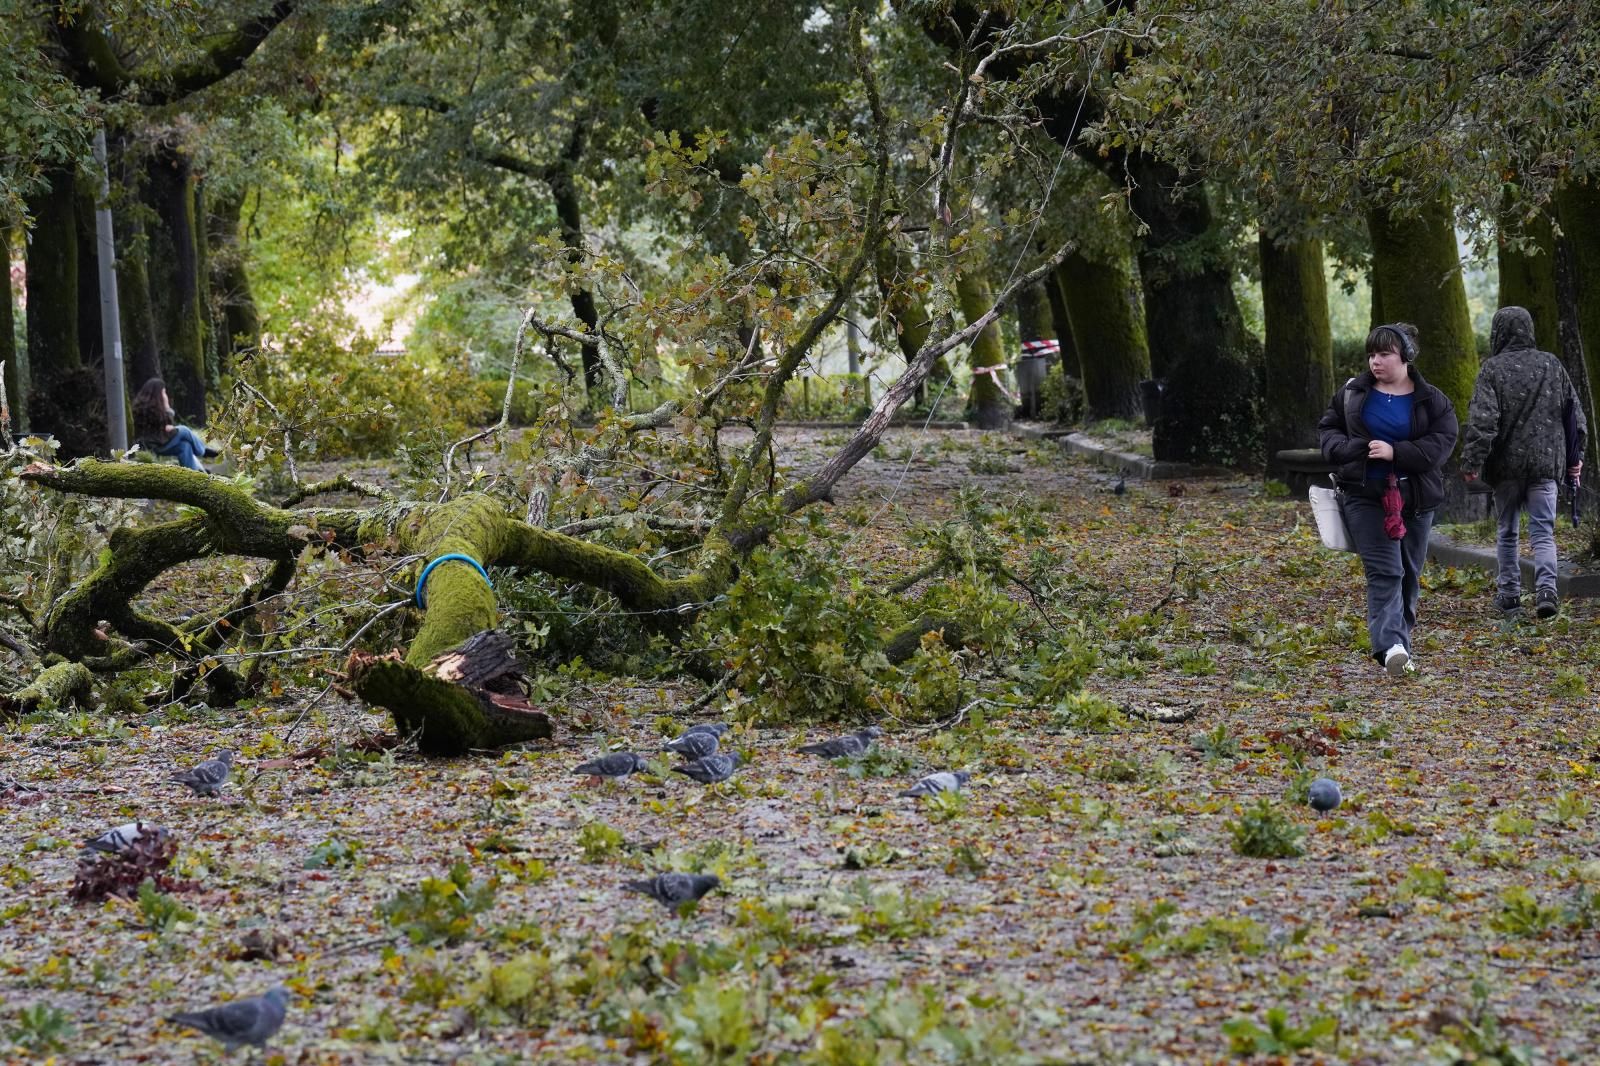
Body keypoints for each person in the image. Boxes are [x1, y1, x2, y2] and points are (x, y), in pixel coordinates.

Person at [1318, 323, 1459, 676]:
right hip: (1364, 496)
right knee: (1385, 570)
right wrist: (1351, 449)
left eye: (1384, 354)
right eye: (1371, 354)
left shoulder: (1433, 400)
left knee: (1410, 575)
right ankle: (1390, 647)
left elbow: (1440, 445)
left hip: (1416, 499)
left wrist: (1396, 451)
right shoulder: (1352, 393)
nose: (1375, 362)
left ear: (1406, 357)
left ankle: (1400, 645)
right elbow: (1328, 430)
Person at [1460, 306, 1586, 620]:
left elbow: (1482, 422)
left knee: (1507, 531)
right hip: (1545, 466)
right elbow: (1574, 417)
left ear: (1497, 332)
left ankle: (1509, 596)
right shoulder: (1552, 365)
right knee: (1544, 532)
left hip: (1505, 470)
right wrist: (1575, 459)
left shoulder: (1492, 369)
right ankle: (1547, 591)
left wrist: (1472, 461)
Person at [130, 378, 219, 472]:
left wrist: (166, 426)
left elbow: (160, 427)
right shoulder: (148, 410)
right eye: (164, 392)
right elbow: (157, 431)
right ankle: (203, 451)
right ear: (158, 394)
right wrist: (168, 409)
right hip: (155, 446)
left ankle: (195, 473)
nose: (165, 395)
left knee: (184, 446)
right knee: (183, 430)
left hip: (157, 443)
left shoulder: (143, 407)